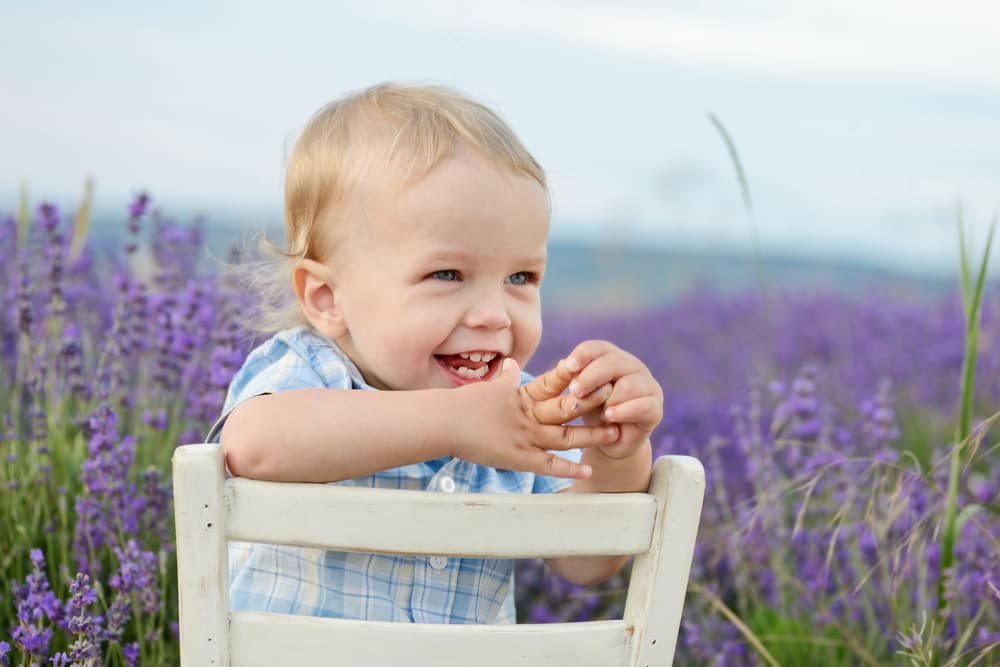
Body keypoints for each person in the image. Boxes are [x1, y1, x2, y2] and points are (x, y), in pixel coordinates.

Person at [212, 82, 662, 624]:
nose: (494, 314)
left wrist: (614, 455)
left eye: (521, 276)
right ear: (328, 299)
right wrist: (454, 423)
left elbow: (586, 561)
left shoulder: (516, 409)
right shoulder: (311, 371)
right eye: (447, 274)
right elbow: (253, 446)